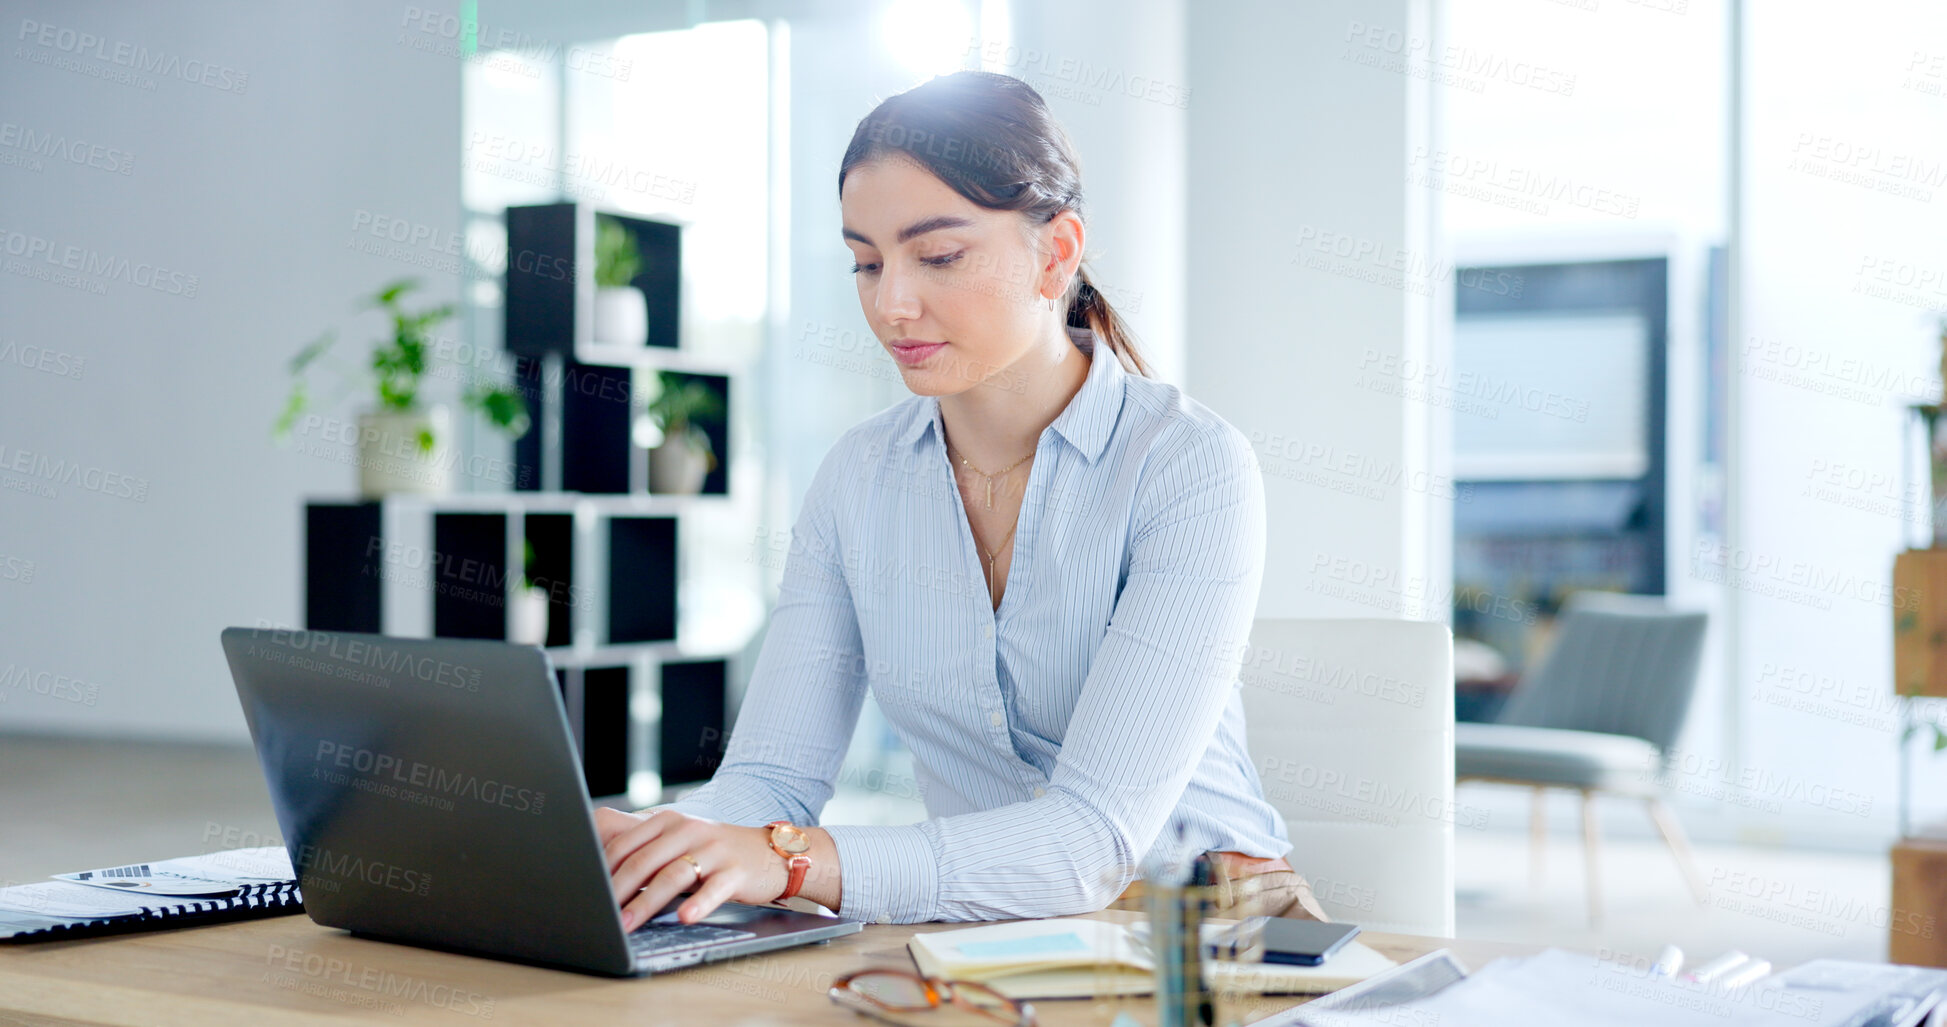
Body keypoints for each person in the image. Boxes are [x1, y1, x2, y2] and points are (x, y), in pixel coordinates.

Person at [595, 70, 1326, 929]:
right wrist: (660, 844)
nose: (891, 303)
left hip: (1208, 931)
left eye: (938, 256)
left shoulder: (1188, 466)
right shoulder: (857, 476)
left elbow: (1088, 842)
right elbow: (770, 780)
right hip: (987, 924)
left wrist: (792, 861)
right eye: (865, 262)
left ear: (1055, 253)